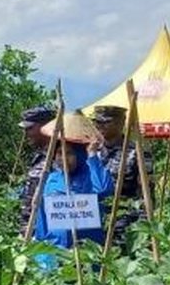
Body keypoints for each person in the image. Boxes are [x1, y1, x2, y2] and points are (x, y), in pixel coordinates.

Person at [31, 111, 113, 265]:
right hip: (55, 255)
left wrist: (92, 155)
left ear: (80, 155)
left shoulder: (91, 175)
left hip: (85, 256)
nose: (63, 159)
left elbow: (103, 190)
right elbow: (42, 218)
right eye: (59, 154)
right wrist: (40, 254)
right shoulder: (51, 179)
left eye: (69, 154)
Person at [90, 105, 150, 243]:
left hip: (124, 224)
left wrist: (142, 229)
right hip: (94, 222)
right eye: (97, 122)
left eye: (105, 122)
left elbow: (146, 193)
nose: (99, 126)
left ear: (121, 123)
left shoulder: (137, 152)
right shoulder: (92, 151)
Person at [16, 105, 56, 232]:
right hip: (30, 229)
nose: (26, 134)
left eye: (30, 128)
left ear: (46, 126)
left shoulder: (62, 157)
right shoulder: (39, 155)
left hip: (47, 232)